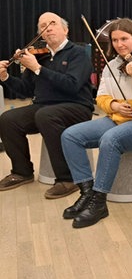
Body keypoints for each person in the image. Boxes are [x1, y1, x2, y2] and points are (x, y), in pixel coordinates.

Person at [60, 18, 132, 228]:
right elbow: (101, 97)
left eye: (124, 38)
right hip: (116, 119)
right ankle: (87, 193)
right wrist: (115, 106)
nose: (119, 44)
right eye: (115, 40)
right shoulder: (111, 65)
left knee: (110, 139)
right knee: (70, 135)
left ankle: (99, 201)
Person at [0, 12, 94, 198]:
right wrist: (6, 78)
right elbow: (26, 89)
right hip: (43, 108)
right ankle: (22, 171)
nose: (48, 28)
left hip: (76, 107)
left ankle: (67, 179)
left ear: (65, 30)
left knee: (46, 115)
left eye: (53, 23)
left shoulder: (78, 53)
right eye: (43, 26)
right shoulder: (39, 56)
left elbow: (72, 85)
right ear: (41, 35)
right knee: (8, 119)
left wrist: (37, 69)